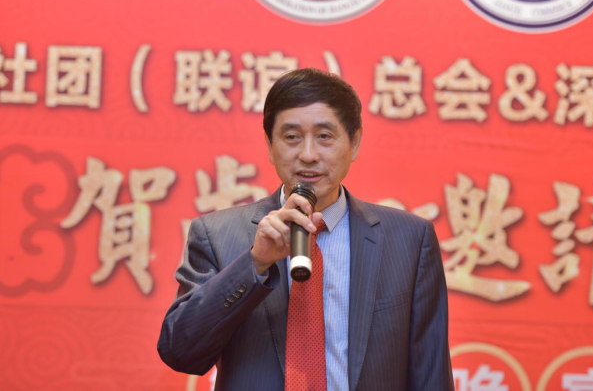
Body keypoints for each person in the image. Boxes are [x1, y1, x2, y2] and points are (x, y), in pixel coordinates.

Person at [157, 68, 454, 390]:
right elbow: (180, 352)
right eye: (291, 137)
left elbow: (431, 374)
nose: (308, 155)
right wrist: (255, 263)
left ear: (354, 143)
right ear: (270, 146)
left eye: (325, 136)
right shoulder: (216, 235)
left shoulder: (409, 240)